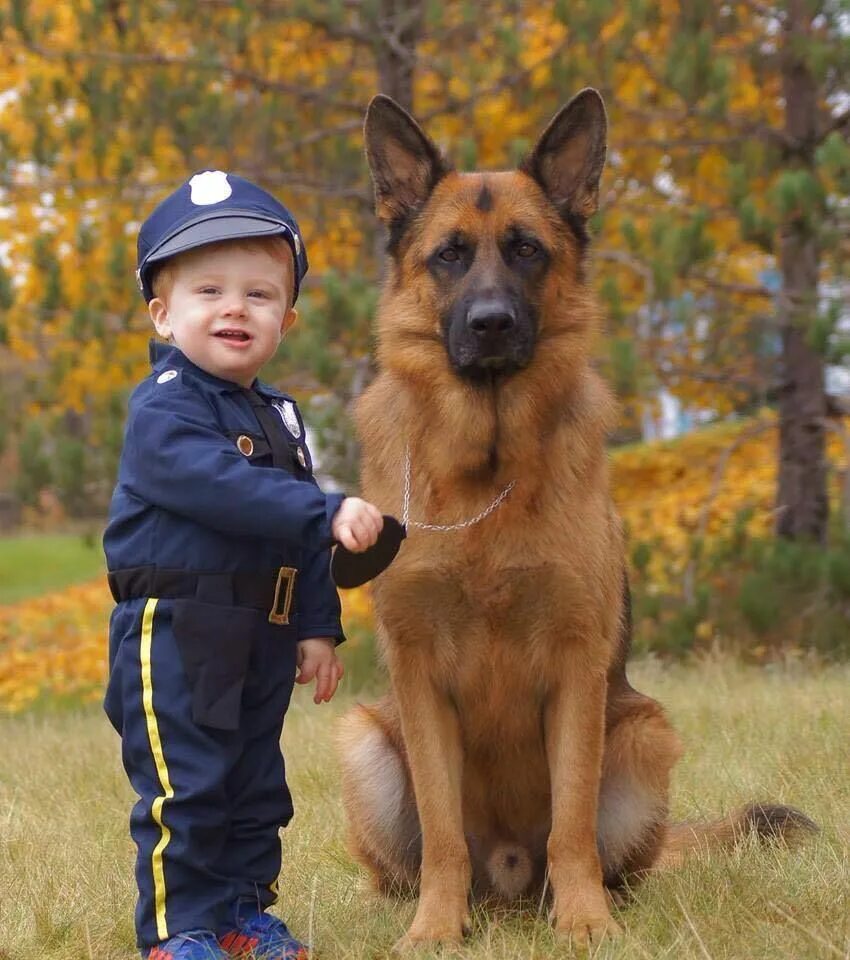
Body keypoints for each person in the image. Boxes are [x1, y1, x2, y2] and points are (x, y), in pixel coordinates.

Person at [103, 169, 383, 960]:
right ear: (163, 313)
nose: (235, 308)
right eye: (208, 291)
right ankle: (177, 930)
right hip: (177, 629)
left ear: (287, 317)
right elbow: (225, 489)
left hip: (259, 629)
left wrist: (318, 627)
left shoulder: (282, 415)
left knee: (255, 785)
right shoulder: (164, 408)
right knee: (187, 786)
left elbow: (300, 537)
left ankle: (240, 912)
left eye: (260, 294)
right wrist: (323, 508)